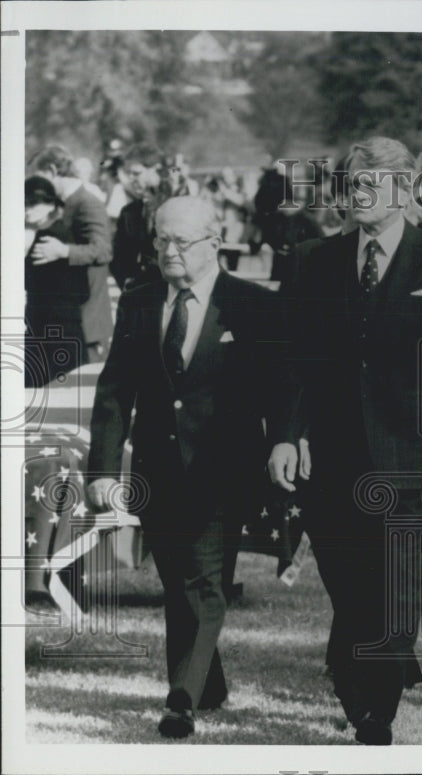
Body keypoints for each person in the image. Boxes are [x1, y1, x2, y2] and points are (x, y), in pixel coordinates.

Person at [267, 136, 422, 745]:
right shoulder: (314, 259)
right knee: (352, 587)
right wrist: (286, 436)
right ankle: (359, 686)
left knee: (395, 588)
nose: (357, 194)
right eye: (352, 183)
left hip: (407, 456)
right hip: (330, 457)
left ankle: (376, 711)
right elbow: (295, 364)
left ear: (406, 191)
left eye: (371, 184)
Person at [86, 196, 280, 738]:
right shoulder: (142, 300)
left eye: (181, 242)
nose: (168, 251)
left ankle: (182, 698)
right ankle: (210, 682)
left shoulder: (252, 305)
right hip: (157, 471)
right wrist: (103, 470)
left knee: (203, 580)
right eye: (160, 241)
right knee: (179, 582)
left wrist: (285, 445)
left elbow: (280, 389)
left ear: (215, 243)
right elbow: (115, 390)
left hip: (224, 471)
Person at [31, 144, 114, 363]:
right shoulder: (63, 203)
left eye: (39, 176)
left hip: (88, 324)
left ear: (52, 170)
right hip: (66, 319)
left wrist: (63, 251)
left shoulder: (86, 203)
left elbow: (104, 250)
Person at [24, 176, 90, 384]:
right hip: (65, 326)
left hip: (50, 328)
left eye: (34, 203)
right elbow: (83, 290)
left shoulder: (48, 239)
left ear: (51, 204)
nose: (28, 209)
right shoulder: (62, 233)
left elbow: (28, 282)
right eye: (24, 203)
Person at [109, 143, 164, 290]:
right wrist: (127, 284)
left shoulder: (176, 207)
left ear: (155, 169)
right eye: (129, 174)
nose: (131, 179)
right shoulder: (129, 212)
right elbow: (118, 259)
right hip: (139, 297)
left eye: (136, 173)